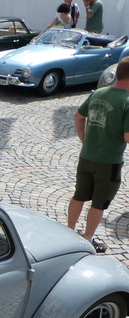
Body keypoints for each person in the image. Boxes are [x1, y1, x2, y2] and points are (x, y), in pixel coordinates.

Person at [66, 57, 129, 253]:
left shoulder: (98, 93)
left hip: (86, 157)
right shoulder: (127, 101)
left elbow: (78, 117)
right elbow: (127, 137)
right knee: (99, 203)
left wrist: (85, 140)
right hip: (108, 162)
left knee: (79, 195)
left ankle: (68, 232)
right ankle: (88, 240)